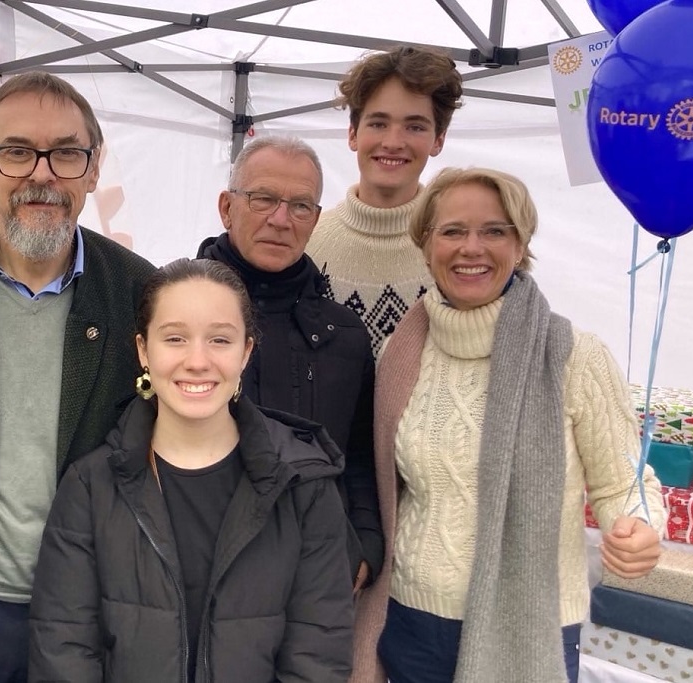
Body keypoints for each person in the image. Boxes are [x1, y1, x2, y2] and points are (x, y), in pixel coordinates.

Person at [365, 167, 666, 683]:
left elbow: (624, 483)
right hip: (410, 620)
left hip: (531, 623)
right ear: (426, 244)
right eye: (453, 231)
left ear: (521, 243)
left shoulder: (574, 355)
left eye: (495, 231)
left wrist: (638, 526)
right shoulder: (400, 350)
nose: (472, 248)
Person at [0, 71, 155, 683]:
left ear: (93, 169)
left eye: (66, 153)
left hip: (84, 609)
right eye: (17, 151)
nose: (41, 174)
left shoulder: (139, 290)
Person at [29, 258, 354, 683]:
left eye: (220, 339)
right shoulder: (90, 487)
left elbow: (318, 657)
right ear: (144, 351)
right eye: (176, 338)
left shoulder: (303, 486)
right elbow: (64, 650)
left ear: (247, 351)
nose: (197, 361)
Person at [197, 135, 381, 593]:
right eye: (263, 199)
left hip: (311, 582)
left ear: (315, 220)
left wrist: (364, 547)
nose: (281, 220)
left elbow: (358, 456)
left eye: (300, 206)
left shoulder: (345, 335)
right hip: (197, 573)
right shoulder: (171, 316)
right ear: (227, 207)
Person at [306, 46, 464, 357]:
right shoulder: (306, 243)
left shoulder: (459, 253)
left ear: (438, 140)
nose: (393, 142)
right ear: (352, 133)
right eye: (378, 123)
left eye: (414, 126)